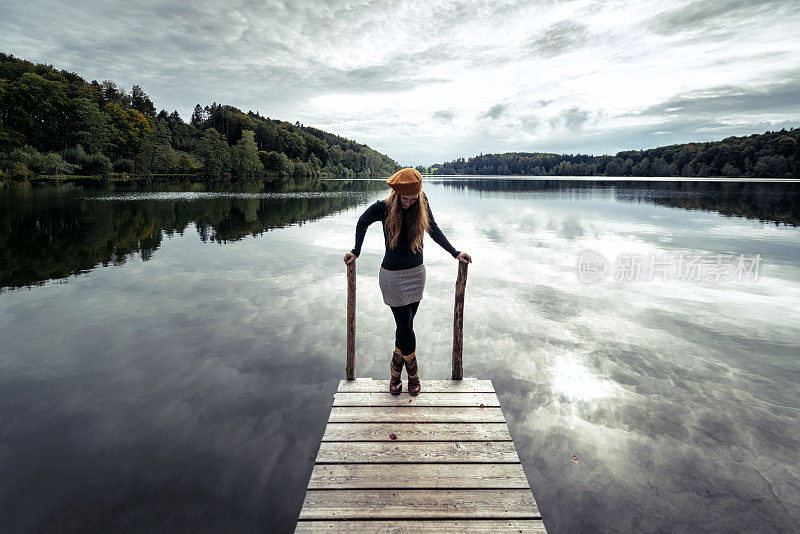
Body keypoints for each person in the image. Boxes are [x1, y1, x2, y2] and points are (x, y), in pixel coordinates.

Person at [342, 168, 472, 396]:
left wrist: (455, 253)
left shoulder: (421, 203)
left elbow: (433, 230)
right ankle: (412, 373)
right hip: (392, 277)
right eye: (405, 198)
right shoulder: (383, 207)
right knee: (405, 326)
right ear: (396, 194)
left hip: (416, 275)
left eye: (413, 199)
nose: (409, 203)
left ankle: (394, 370)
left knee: (405, 326)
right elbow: (362, 222)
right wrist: (356, 251)